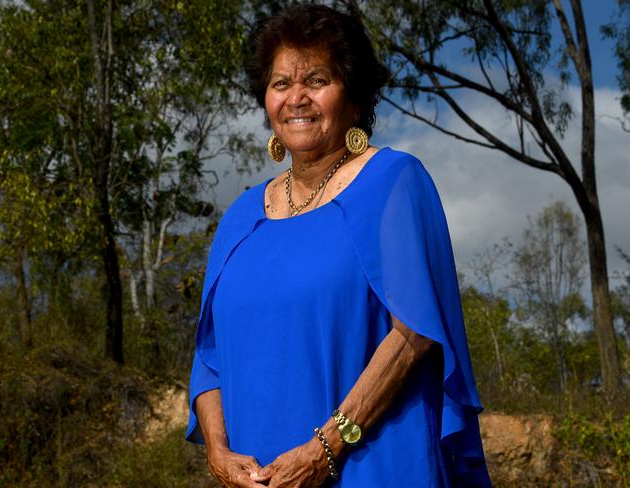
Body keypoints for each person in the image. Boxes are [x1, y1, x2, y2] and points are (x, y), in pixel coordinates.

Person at [186, 5, 491, 487]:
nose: (296, 98)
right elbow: (209, 359)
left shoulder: (392, 183)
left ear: (354, 96)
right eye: (281, 83)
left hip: (372, 467)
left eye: (317, 79)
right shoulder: (240, 217)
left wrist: (322, 449)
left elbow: (414, 333)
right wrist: (219, 454)